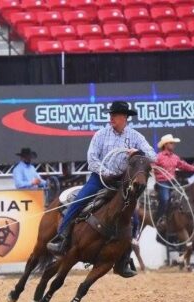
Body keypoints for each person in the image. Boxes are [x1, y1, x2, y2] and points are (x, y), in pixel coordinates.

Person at [47, 100, 156, 277]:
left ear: (125, 118)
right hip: (99, 179)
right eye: (111, 114)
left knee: (133, 218)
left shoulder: (136, 137)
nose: (111, 117)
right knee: (79, 201)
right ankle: (61, 238)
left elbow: (153, 156)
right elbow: (92, 159)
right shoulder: (100, 134)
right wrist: (106, 172)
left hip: (121, 183)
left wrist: (137, 153)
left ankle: (124, 259)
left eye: (115, 115)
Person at [154, 134, 194, 231]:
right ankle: (160, 218)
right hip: (162, 182)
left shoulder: (175, 157)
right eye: (172, 143)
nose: (173, 145)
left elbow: (184, 165)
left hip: (173, 182)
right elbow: (151, 165)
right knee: (165, 198)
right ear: (166, 144)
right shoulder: (158, 157)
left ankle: (181, 217)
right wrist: (152, 168)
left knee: (184, 196)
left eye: (173, 143)